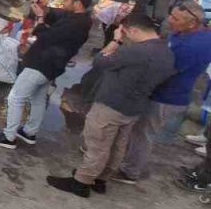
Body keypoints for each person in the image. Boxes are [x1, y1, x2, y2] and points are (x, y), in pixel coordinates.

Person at [47, 13, 175, 198]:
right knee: (118, 146)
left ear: (133, 30)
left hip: (111, 104)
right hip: (134, 106)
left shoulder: (136, 51)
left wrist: (116, 42)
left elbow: (100, 61)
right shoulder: (166, 52)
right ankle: (101, 179)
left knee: (97, 144)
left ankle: (81, 181)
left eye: (125, 32)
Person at [0, 0, 92, 150]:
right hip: (51, 65)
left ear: (78, 3)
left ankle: (8, 136)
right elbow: (57, 17)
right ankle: (29, 132)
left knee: (16, 97)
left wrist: (40, 19)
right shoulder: (79, 19)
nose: (63, 2)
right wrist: (45, 11)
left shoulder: (76, 23)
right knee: (37, 98)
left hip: (43, 63)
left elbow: (47, 37)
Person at [118, 4, 211, 183]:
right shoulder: (189, 34)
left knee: (142, 134)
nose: (169, 20)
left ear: (192, 24)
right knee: (139, 131)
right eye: (171, 15)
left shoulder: (193, 46)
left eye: (176, 19)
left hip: (166, 97)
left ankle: (130, 171)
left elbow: (165, 70)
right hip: (164, 93)